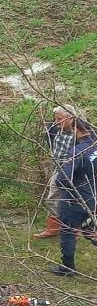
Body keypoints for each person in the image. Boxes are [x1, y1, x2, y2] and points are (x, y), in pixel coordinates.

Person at [49, 115, 96, 276]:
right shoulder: (95, 145)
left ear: (78, 130)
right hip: (91, 198)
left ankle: (67, 267)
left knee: (68, 232)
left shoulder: (78, 152)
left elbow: (63, 178)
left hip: (73, 199)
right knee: (90, 230)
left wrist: (65, 190)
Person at [33, 105, 78, 239]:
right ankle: (53, 228)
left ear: (70, 118)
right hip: (58, 169)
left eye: (60, 119)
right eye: (55, 119)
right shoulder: (54, 129)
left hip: (74, 172)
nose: (56, 122)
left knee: (74, 201)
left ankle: (74, 231)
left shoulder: (80, 133)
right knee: (53, 199)